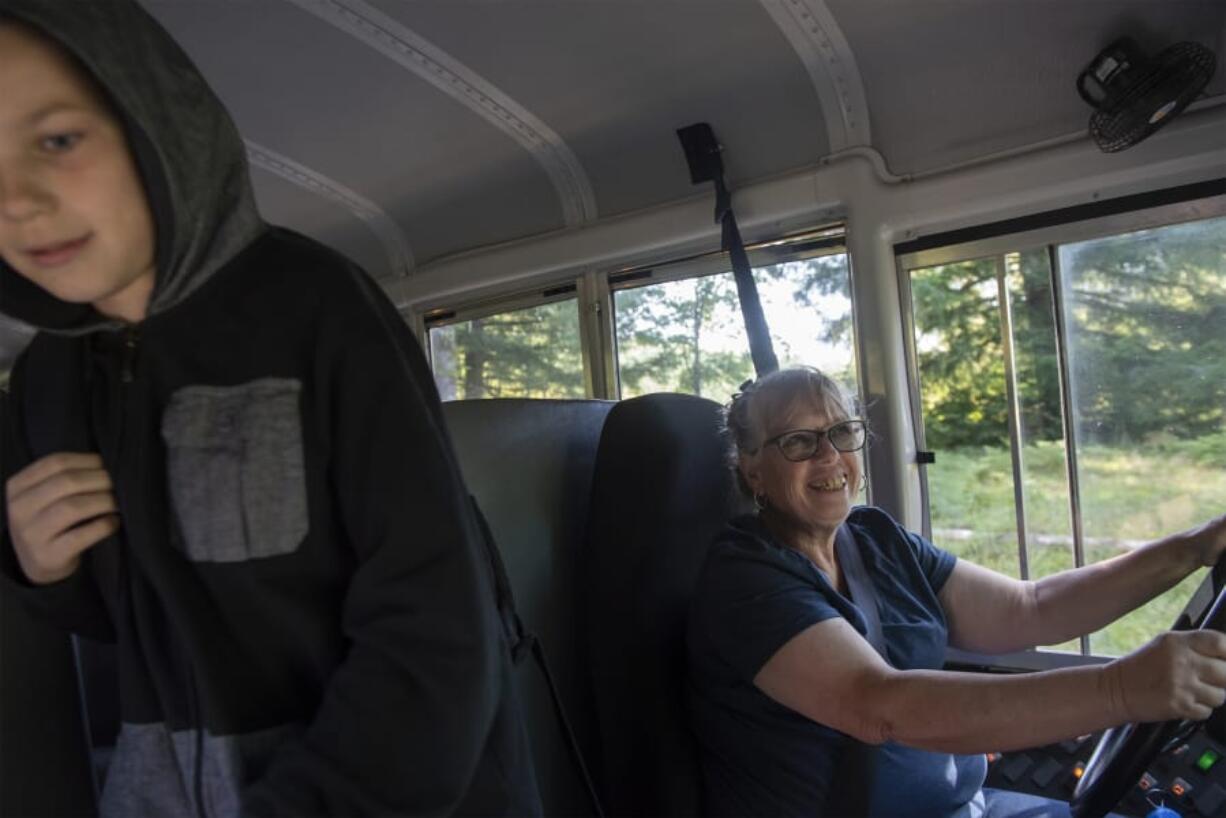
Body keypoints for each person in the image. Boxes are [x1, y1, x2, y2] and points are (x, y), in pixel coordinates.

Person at [0, 2, 540, 815]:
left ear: (154, 120)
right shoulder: (45, 373)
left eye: (59, 141)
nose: (17, 200)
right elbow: (116, 623)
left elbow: (437, 631)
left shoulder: (319, 309)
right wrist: (39, 567)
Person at [686, 366, 1226, 817]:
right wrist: (1123, 690)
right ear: (753, 469)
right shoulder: (744, 580)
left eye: (842, 432)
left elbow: (1030, 608)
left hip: (970, 805)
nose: (829, 457)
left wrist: (1191, 548)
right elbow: (879, 706)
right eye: (798, 441)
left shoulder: (877, 540)